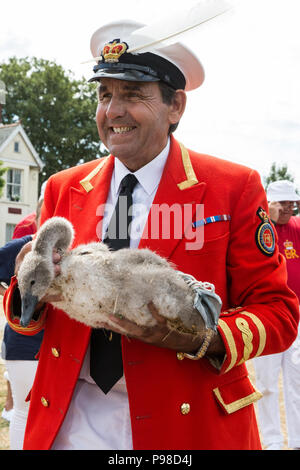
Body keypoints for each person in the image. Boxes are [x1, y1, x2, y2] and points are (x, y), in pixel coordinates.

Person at [2, 19, 299, 450]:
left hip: (185, 422)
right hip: (71, 421)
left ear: (175, 105)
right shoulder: (64, 187)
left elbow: (278, 312)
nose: (113, 111)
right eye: (104, 95)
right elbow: (29, 319)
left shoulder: (232, 186)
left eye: (132, 94)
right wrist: (29, 289)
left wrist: (203, 337)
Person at [253, 180, 300, 450]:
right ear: (268, 203)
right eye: (282, 203)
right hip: (266, 313)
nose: (288, 208)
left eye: (291, 203)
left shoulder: (296, 226)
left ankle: (296, 440)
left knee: (296, 379)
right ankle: (271, 441)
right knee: (267, 381)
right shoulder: (257, 228)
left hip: (296, 313)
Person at [0, 199, 44, 449]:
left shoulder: (71, 248)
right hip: (25, 345)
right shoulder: (22, 246)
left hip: (58, 346)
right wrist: (11, 296)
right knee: (24, 412)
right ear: (36, 218)